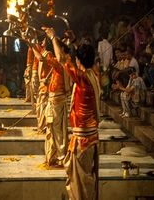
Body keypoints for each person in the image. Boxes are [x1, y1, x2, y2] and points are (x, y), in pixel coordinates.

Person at [43, 27, 100, 200]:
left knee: (80, 184)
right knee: (85, 179)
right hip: (91, 137)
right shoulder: (94, 74)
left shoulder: (83, 80)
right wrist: (74, 42)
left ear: (79, 61)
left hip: (83, 140)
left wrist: (53, 37)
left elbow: (61, 59)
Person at [31, 39, 69, 167]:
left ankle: (61, 157)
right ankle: (54, 156)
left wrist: (52, 38)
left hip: (56, 101)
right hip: (54, 100)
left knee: (57, 132)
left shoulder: (61, 63)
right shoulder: (59, 65)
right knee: (52, 130)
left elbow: (41, 58)